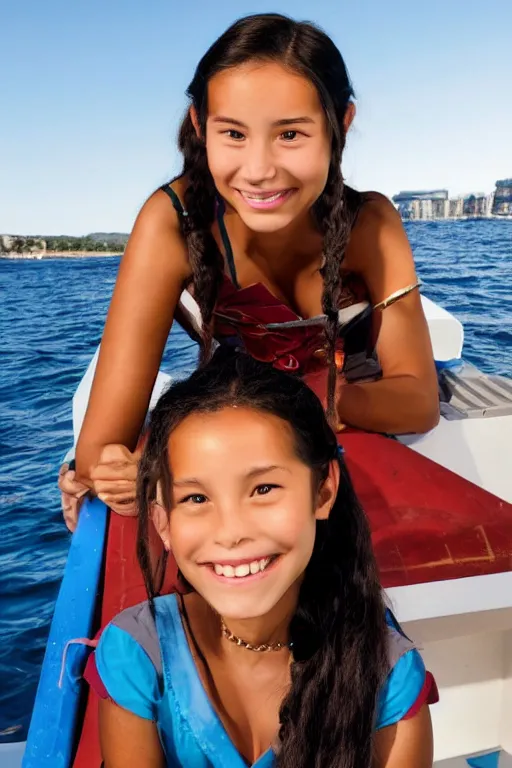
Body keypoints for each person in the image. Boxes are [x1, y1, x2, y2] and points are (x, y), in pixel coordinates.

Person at [60, 13, 439, 529]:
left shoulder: (370, 223)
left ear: (340, 124)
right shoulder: (172, 222)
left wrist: (305, 404)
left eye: (290, 134)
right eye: (233, 133)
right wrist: (111, 470)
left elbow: (418, 401)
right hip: (261, 429)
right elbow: (99, 453)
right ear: (200, 126)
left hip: (336, 437)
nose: (259, 170)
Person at [84, 349, 437, 768]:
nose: (232, 532)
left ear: (323, 491)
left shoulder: (387, 676)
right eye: (196, 498)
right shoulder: (138, 656)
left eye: (264, 489)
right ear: (164, 523)